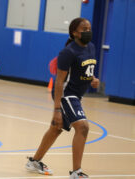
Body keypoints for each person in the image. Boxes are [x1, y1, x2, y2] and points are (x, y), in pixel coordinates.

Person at [25, 17, 100, 179]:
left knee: (56, 129)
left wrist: (92, 78)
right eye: (84, 29)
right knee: (83, 127)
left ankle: (34, 161)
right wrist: (57, 109)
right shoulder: (68, 52)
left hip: (76, 95)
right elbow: (59, 82)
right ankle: (76, 172)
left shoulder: (91, 47)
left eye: (89, 28)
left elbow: (85, 68)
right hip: (66, 94)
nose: (88, 31)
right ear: (74, 33)